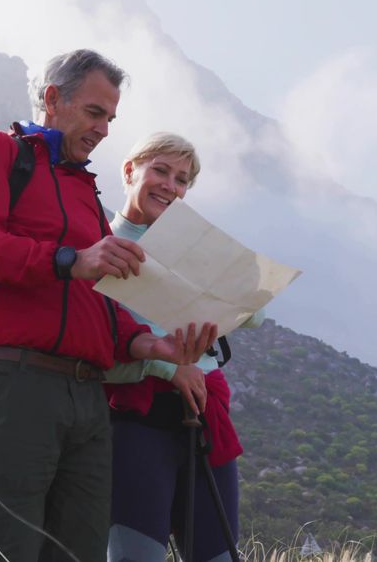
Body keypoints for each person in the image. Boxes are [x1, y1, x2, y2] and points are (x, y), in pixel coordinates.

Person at [0, 50, 217, 561]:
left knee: (79, 553)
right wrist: (70, 259)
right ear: (52, 99)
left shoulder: (84, 189)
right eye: (95, 113)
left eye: (111, 118)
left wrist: (148, 343)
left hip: (88, 401)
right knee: (4, 550)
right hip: (15, 387)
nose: (104, 130)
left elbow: (98, 303)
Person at [103, 132, 264, 562]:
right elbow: (95, 341)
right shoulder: (101, 241)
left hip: (205, 410)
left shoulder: (191, 245)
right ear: (129, 171)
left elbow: (254, 314)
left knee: (219, 556)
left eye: (182, 179)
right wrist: (168, 369)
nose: (170, 186)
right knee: (136, 555)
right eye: (160, 170)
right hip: (135, 416)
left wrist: (238, 280)